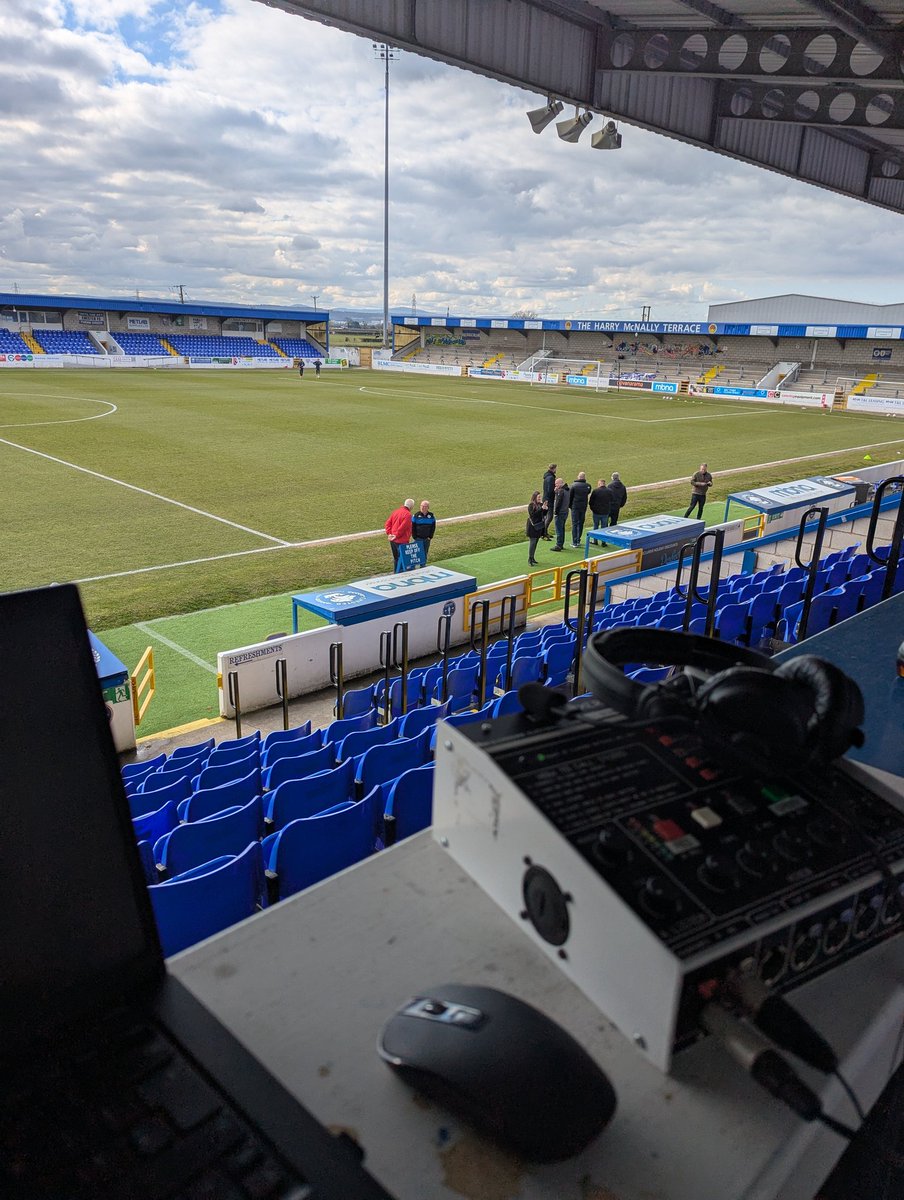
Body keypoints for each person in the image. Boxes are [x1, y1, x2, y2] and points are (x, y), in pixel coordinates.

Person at [385, 498, 414, 566]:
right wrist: (396, 535)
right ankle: (401, 574)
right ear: (412, 506)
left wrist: (389, 533)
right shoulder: (408, 515)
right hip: (401, 541)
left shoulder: (396, 511)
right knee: (402, 559)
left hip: (392, 540)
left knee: (396, 559)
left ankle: (396, 573)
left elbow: (387, 523)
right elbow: (403, 528)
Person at [569, 471, 592, 548]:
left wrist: (570, 506)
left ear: (578, 477)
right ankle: (578, 540)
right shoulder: (588, 486)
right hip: (583, 506)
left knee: (575, 523)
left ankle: (574, 541)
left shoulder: (573, 486)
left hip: (575, 507)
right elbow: (588, 493)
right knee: (581, 523)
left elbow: (570, 497)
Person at [525, 492, 546, 567]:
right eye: (538, 497)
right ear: (535, 498)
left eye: (540, 497)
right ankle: (530, 559)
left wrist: (545, 509)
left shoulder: (540, 504)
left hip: (538, 526)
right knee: (532, 543)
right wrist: (541, 509)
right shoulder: (531, 505)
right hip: (532, 527)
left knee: (535, 543)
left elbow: (543, 514)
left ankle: (532, 558)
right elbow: (533, 515)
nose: (540, 498)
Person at [550, 477, 570, 551]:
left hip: (560, 513)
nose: (555, 485)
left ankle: (559, 545)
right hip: (565, 511)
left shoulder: (561, 491)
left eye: (556, 484)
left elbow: (558, 502)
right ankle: (561, 544)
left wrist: (556, 512)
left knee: (559, 529)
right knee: (562, 529)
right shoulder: (568, 490)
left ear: (560, 483)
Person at [541, 463, 557, 539]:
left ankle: (544, 532)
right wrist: (555, 491)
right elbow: (550, 490)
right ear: (553, 469)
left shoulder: (547, 476)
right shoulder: (551, 478)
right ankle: (544, 533)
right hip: (549, 500)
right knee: (549, 517)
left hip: (546, 498)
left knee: (547, 517)